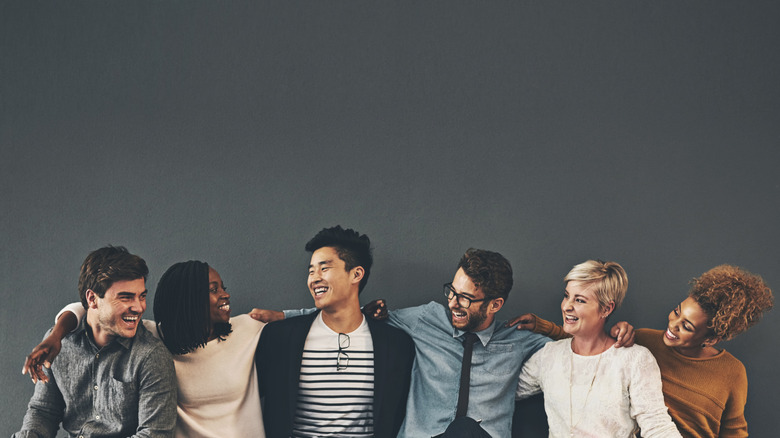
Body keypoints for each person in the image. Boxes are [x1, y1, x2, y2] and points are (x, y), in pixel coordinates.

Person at [257, 248, 559, 437]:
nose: (453, 302)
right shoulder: (426, 319)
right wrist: (286, 316)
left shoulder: (517, 341)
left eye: (465, 299)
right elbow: (349, 313)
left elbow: (583, 345)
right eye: (451, 292)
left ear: (495, 305)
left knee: (467, 431)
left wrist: (550, 327)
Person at [513, 264, 773, 438]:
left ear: (712, 337)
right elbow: (584, 348)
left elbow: (733, 432)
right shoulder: (646, 340)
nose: (672, 325)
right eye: (676, 312)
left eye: (687, 326)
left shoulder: (731, 372)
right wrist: (545, 327)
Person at [23, 260, 267, 437]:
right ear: (188, 300)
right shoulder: (154, 334)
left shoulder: (248, 328)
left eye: (141, 297)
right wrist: (57, 334)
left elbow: (305, 321)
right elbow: (94, 311)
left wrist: (286, 314)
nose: (226, 295)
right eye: (213, 290)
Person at [254, 225, 415, 438]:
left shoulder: (395, 345)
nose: (314, 278)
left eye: (324, 268)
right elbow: (241, 399)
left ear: (356, 274)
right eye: (311, 271)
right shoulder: (279, 338)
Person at [14, 246, 177, 438]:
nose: (139, 307)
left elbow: (154, 435)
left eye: (142, 296)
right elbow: (43, 411)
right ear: (92, 299)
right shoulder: (61, 344)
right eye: (126, 297)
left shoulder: (151, 356)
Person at [515, 260, 682, 437]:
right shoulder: (548, 355)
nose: (566, 306)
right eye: (566, 295)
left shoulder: (635, 359)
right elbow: (503, 390)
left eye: (579, 300)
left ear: (606, 309)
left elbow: (657, 425)